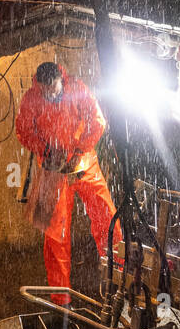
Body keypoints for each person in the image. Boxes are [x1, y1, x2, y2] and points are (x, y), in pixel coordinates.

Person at [15, 61, 117, 303]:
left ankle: (117, 278)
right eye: (45, 91)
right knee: (54, 236)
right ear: (38, 85)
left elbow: (97, 121)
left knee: (107, 218)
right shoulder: (31, 98)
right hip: (52, 168)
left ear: (61, 79)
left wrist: (80, 151)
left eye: (53, 88)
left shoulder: (77, 88)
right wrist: (46, 150)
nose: (49, 94)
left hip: (84, 162)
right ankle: (62, 301)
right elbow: (23, 130)